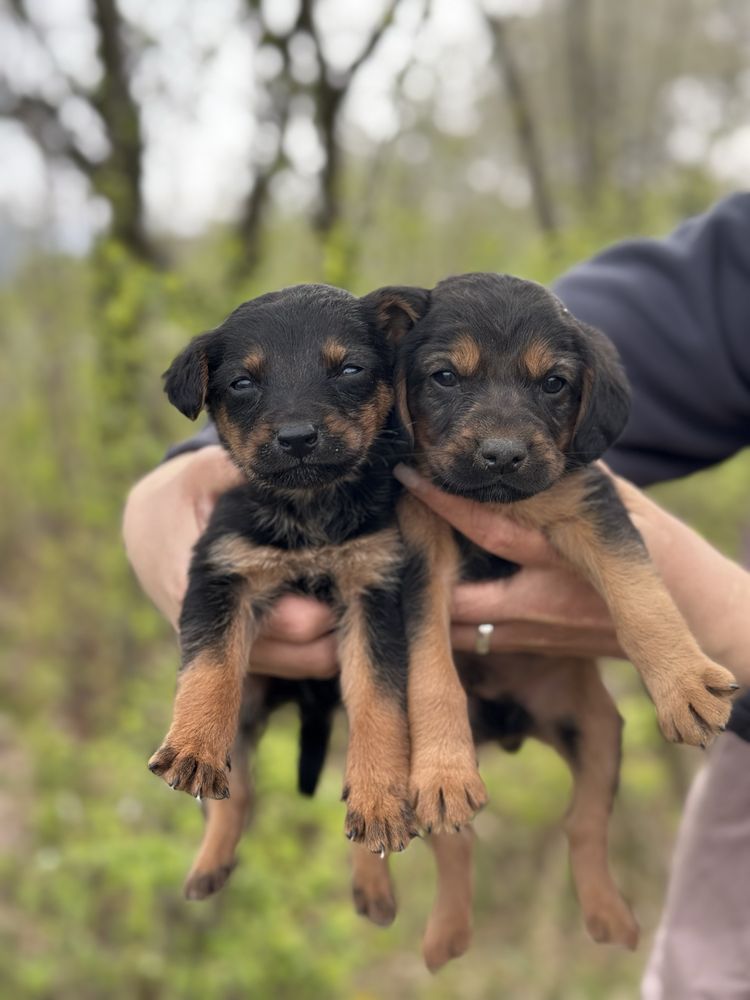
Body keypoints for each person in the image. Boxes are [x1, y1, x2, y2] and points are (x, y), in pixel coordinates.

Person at [123, 192, 750, 997]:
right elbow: (531, 324)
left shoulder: (558, 467)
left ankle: (568, 868)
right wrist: (179, 473)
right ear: (401, 387)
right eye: (443, 379)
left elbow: (607, 525)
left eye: (549, 387)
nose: (495, 434)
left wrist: (717, 624)